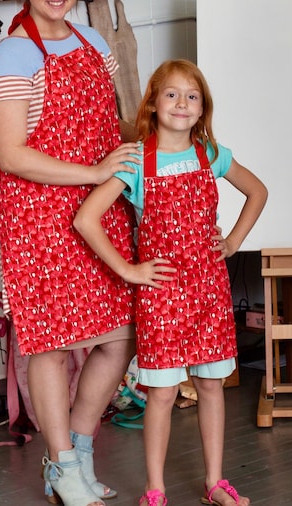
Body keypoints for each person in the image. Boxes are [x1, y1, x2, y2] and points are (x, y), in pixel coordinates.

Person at [0, 0, 140, 506]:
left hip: (98, 208)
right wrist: (93, 170)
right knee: (49, 343)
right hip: (39, 217)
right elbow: (10, 154)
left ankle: (77, 447)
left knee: (119, 336)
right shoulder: (12, 56)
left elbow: (108, 120)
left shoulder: (92, 40)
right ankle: (62, 467)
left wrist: (155, 142)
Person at [74, 59, 268, 506]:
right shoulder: (138, 160)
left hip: (209, 291)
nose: (182, 103)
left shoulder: (212, 154)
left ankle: (214, 482)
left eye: (192, 96)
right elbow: (87, 218)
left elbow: (258, 191)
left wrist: (234, 241)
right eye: (172, 94)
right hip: (160, 296)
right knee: (160, 394)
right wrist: (128, 269)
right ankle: (155, 490)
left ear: (202, 109)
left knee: (211, 387)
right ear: (154, 104)